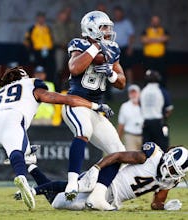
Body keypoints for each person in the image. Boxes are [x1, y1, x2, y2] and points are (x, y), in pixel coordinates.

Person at [0, 67, 113, 210]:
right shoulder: (31, 83)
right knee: (17, 153)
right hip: (13, 118)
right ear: (23, 75)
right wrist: (94, 105)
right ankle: (21, 177)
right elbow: (54, 97)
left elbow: (0, 129)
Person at [15, 142, 188, 211]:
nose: (170, 172)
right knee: (76, 185)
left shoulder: (170, 181)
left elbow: (156, 204)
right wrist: (96, 168)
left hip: (113, 199)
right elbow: (117, 156)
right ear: (168, 158)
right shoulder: (152, 155)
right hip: (105, 180)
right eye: (171, 167)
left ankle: (31, 168)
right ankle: (33, 189)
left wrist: (164, 207)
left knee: (57, 202)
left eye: (175, 171)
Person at [62, 10, 126, 200]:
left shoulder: (113, 48)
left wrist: (111, 74)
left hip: (97, 108)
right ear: (91, 28)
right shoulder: (79, 43)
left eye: (108, 27)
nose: (108, 31)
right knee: (84, 131)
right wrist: (95, 47)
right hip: (77, 104)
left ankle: (97, 191)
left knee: (119, 152)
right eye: (103, 27)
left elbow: (122, 82)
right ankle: (72, 182)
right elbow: (74, 67)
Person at [140, 70, 174, 152]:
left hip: (146, 124)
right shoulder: (162, 91)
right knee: (163, 148)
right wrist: (164, 117)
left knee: (147, 150)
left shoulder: (143, 92)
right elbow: (169, 109)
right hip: (159, 123)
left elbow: (140, 107)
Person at [23, 12, 55, 82]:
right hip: (36, 52)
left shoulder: (48, 28)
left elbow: (52, 39)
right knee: (37, 68)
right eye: (40, 18)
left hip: (47, 51)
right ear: (37, 18)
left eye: (42, 18)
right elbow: (26, 41)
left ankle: (48, 81)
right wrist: (30, 51)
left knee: (48, 68)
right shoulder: (32, 28)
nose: (41, 19)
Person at [52, 8, 78, 88]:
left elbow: (75, 36)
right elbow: (56, 39)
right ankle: (57, 85)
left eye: (66, 15)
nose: (65, 17)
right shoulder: (56, 25)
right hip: (60, 48)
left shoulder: (70, 24)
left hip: (71, 48)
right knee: (59, 68)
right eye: (63, 15)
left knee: (76, 64)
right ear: (59, 16)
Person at [141, 16, 170, 86]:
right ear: (151, 22)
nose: (155, 22)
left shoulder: (163, 30)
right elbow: (144, 40)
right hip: (149, 58)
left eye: (157, 21)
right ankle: (147, 89)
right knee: (148, 74)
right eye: (154, 21)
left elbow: (166, 38)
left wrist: (151, 39)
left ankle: (162, 89)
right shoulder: (146, 30)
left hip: (161, 58)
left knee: (162, 75)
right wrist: (158, 39)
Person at [113, 6, 135, 85]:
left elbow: (131, 36)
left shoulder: (127, 23)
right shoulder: (112, 24)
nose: (117, 15)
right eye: (116, 14)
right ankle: (117, 84)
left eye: (119, 13)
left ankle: (130, 84)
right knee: (115, 67)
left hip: (125, 48)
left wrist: (130, 47)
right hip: (115, 49)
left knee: (128, 67)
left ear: (122, 14)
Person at [117, 84, 143, 150]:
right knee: (131, 158)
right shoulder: (125, 106)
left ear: (139, 93)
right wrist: (118, 139)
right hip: (130, 136)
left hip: (144, 135)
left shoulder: (144, 105)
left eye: (135, 93)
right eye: (131, 93)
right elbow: (121, 124)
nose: (133, 95)